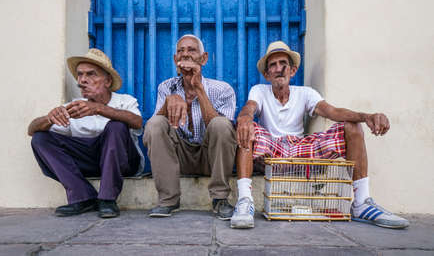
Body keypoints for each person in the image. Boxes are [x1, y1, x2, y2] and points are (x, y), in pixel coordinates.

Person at [230, 40, 409, 229]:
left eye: (283, 63)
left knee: (352, 126)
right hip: (272, 148)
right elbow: (250, 108)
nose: (279, 69)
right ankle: (244, 200)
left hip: (301, 148)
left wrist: (367, 116)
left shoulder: (305, 93)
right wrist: (245, 118)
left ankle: (361, 203)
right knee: (246, 126)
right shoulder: (259, 90)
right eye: (273, 65)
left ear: (293, 70)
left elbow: (332, 112)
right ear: (267, 74)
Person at [28, 48, 144, 218]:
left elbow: (137, 122)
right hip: (89, 162)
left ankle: (107, 199)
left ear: (107, 80)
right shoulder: (75, 106)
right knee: (40, 138)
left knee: (117, 126)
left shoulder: (125, 101)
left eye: (91, 74)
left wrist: (98, 109)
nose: (83, 80)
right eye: (80, 75)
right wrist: (49, 118)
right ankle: (83, 197)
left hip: (124, 163)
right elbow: (31, 130)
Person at [143, 34, 237, 220]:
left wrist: (198, 89)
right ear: (175, 59)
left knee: (221, 124)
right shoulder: (165, 87)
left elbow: (224, 131)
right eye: (180, 51)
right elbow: (152, 131)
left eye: (191, 50)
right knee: (155, 123)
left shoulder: (223, 89)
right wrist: (169, 101)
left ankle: (220, 199)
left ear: (204, 58)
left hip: (211, 158)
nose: (185, 55)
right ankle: (168, 200)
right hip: (179, 158)